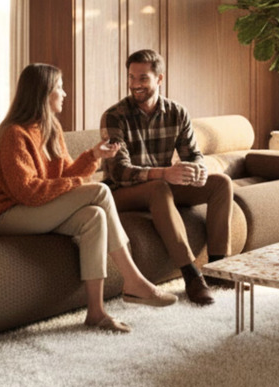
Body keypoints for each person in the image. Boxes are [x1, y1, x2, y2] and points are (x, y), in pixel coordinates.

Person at [0, 63, 177, 334]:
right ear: (43, 93)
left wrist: (94, 156)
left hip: (36, 209)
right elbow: (27, 191)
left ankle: (96, 312)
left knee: (94, 217)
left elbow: (64, 175)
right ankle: (134, 280)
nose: (64, 94)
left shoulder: (51, 128)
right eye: (59, 88)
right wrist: (78, 184)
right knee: (100, 191)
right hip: (6, 215)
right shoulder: (14, 134)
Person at [100, 49, 233, 306]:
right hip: (120, 192)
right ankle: (192, 276)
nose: (135, 84)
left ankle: (218, 269)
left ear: (159, 79)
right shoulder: (114, 116)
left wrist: (198, 170)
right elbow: (119, 171)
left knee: (221, 184)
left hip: (162, 185)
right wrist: (164, 173)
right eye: (131, 77)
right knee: (159, 187)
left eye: (143, 78)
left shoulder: (177, 112)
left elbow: (193, 154)